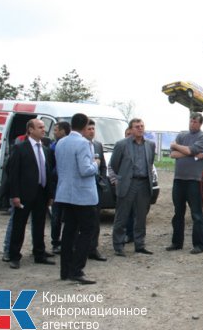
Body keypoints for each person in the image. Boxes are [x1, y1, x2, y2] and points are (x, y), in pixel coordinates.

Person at [55, 113, 99, 285]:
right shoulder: (84, 143)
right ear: (85, 125)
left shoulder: (61, 142)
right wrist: (96, 163)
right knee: (87, 231)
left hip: (65, 192)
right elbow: (85, 170)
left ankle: (65, 270)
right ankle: (77, 269)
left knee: (68, 231)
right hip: (82, 195)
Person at [7, 118, 56, 269]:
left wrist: (49, 195)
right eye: (40, 127)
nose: (43, 130)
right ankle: (14, 256)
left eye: (44, 127)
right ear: (30, 130)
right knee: (19, 225)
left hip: (41, 193)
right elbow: (13, 173)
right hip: (24, 193)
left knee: (39, 224)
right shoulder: (20, 148)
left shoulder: (46, 149)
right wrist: (15, 195)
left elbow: (48, 173)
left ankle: (39, 254)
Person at [110, 118, 156, 256]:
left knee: (141, 217)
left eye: (142, 126)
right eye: (137, 126)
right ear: (130, 129)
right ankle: (118, 246)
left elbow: (150, 163)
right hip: (128, 184)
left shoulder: (150, 145)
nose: (140, 128)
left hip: (143, 184)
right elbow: (114, 164)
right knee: (122, 216)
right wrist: (123, 177)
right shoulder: (121, 144)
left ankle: (140, 244)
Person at [167, 113, 203, 254]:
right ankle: (176, 242)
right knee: (178, 213)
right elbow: (173, 154)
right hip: (179, 180)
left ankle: (199, 245)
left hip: (194, 181)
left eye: (195, 122)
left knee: (196, 214)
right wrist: (189, 152)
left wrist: (179, 148)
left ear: (200, 124)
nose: (192, 123)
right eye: (191, 121)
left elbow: (190, 150)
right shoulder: (181, 136)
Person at [84, 119, 107, 262]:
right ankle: (79, 247)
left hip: (96, 188)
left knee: (95, 220)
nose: (92, 131)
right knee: (82, 221)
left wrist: (102, 180)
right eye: (89, 129)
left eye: (93, 128)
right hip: (83, 189)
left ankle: (93, 248)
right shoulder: (80, 145)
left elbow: (103, 166)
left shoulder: (98, 145)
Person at [50, 121, 70, 254]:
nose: (54, 133)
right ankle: (55, 242)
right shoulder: (53, 147)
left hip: (69, 187)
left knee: (69, 217)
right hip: (56, 186)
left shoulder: (72, 145)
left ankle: (67, 242)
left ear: (64, 131)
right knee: (56, 217)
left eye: (56, 130)